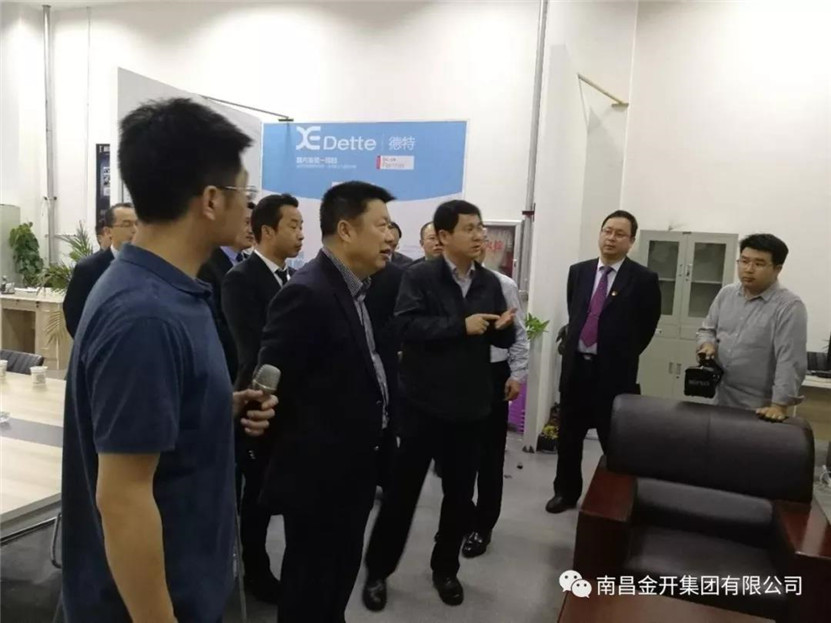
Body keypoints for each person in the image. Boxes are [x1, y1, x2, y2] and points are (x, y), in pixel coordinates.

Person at [61, 98, 276, 623]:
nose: (249, 210)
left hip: (188, 584)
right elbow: (123, 499)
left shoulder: (176, 291)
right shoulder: (146, 314)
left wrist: (219, 405)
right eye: (244, 195)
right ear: (211, 200)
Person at [362, 200, 515, 611]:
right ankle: (378, 570)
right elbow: (406, 326)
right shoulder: (420, 277)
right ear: (444, 236)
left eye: (481, 228)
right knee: (402, 496)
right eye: (470, 228)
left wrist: (505, 328)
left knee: (459, 497)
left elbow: (497, 339)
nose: (480, 235)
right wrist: (459, 326)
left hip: (470, 408)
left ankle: (445, 569)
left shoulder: (489, 282)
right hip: (422, 407)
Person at [257, 181, 395, 623]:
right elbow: (269, 392)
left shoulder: (357, 289)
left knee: (335, 585)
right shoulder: (309, 292)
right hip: (318, 482)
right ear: (346, 230)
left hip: (352, 473)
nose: (390, 236)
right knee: (309, 590)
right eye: (381, 225)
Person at [545, 210, 661, 515]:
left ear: (631, 241)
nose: (611, 238)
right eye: (607, 231)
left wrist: (620, 353)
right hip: (576, 369)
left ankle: (616, 499)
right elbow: (576, 313)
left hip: (613, 374)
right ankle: (565, 492)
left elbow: (647, 326)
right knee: (569, 438)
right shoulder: (579, 272)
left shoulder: (643, 279)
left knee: (615, 441)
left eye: (619, 234)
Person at [221, 193, 303, 603]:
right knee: (257, 497)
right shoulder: (241, 279)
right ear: (267, 231)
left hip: (295, 407)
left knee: (291, 491)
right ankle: (255, 568)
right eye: (293, 225)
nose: (301, 234)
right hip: (258, 403)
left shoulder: (295, 279)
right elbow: (253, 349)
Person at [462, 236, 530, 558]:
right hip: (454, 377)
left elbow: (519, 333)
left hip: (491, 374)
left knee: (489, 457)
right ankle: (462, 515)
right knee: (455, 456)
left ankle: (483, 524)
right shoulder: (444, 285)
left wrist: (517, 374)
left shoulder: (502, 285)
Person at [697, 233, 807, 423]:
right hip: (719, 397)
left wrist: (779, 406)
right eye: (744, 261)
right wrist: (707, 344)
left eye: (759, 264)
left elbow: (790, 359)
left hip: (758, 407)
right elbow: (708, 329)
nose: (748, 269)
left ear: (777, 269)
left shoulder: (789, 306)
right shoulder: (726, 294)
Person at [198, 199, 254, 379]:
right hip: (224, 365)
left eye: (254, 224)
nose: (251, 230)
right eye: (246, 223)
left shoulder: (249, 264)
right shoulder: (206, 264)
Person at [63, 203, 137, 337]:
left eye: (137, 224)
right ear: (108, 231)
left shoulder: (148, 266)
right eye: (127, 225)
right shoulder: (89, 268)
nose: (134, 230)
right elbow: (74, 316)